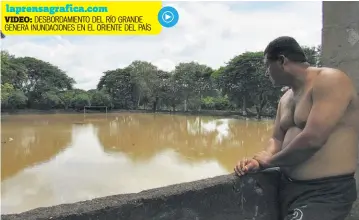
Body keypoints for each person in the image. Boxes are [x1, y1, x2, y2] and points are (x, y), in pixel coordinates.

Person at [234, 36, 359, 220]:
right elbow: (276, 138)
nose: (266, 73)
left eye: (267, 66)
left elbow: (313, 139)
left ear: (282, 61)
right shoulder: (285, 98)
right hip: (287, 188)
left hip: (325, 192)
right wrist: (260, 161)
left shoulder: (330, 80)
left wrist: (271, 161)